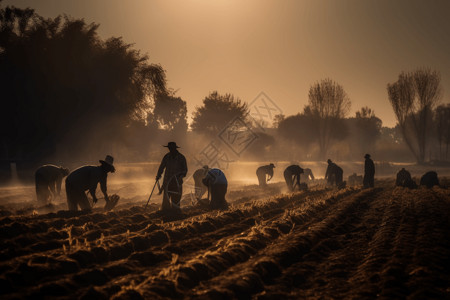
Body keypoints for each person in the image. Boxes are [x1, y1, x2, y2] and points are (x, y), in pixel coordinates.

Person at [156, 142, 188, 213]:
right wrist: (158, 175)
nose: (170, 149)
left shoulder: (181, 158)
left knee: (176, 201)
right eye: (169, 148)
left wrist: (181, 176)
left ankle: (175, 214)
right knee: (166, 202)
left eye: (171, 148)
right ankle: (165, 213)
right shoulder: (166, 157)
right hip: (167, 182)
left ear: (175, 148)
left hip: (177, 183)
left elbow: (185, 170)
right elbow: (161, 167)